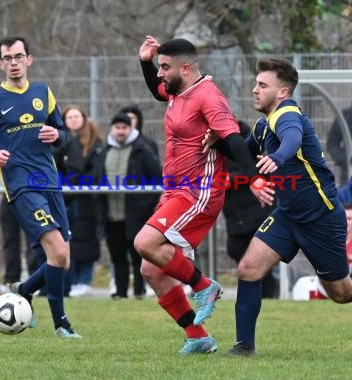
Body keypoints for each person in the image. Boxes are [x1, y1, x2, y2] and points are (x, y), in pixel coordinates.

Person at [204, 58, 352, 356]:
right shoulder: (263, 127)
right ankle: (244, 346)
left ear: (283, 92)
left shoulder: (288, 115)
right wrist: (218, 143)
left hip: (321, 218)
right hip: (287, 215)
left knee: (341, 292)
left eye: (263, 85)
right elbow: (243, 153)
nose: (254, 90)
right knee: (248, 268)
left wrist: (279, 157)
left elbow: (291, 140)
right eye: (256, 84)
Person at [134, 36, 257, 354]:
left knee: (145, 243)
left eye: (165, 67)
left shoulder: (208, 97)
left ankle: (204, 286)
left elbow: (236, 141)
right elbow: (157, 91)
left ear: (185, 68)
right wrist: (145, 63)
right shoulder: (178, 90)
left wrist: (253, 179)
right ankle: (198, 336)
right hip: (175, 190)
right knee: (150, 269)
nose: (160, 74)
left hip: (198, 192)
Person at [0, 36, 81, 338]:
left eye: (18, 56)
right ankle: (62, 325)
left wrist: (58, 135)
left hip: (50, 183)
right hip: (21, 187)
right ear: (0, 64)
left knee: (62, 258)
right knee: (56, 251)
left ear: (29, 59)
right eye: (7, 58)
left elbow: (64, 134)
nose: (13, 63)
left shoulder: (44, 93)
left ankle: (24, 290)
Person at [101, 112, 161, 300]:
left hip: (135, 213)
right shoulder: (104, 151)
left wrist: (146, 205)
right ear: (112, 129)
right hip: (111, 213)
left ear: (131, 129)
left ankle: (139, 290)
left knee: (137, 254)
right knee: (117, 255)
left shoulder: (142, 149)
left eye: (124, 128)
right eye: (117, 127)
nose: (120, 131)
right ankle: (120, 292)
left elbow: (156, 177)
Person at [53, 104, 104, 297]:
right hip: (67, 198)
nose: (73, 120)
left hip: (88, 200)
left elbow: (94, 171)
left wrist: (78, 183)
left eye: (77, 116)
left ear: (83, 118)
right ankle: (70, 281)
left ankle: (84, 280)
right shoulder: (60, 143)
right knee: (68, 240)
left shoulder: (95, 143)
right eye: (69, 117)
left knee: (87, 240)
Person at [222, 120, 277, 297]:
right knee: (236, 248)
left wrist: (230, 180)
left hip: (256, 210)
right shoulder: (217, 142)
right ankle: (261, 289)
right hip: (235, 214)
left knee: (258, 256)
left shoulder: (246, 135)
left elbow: (255, 169)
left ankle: (267, 293)